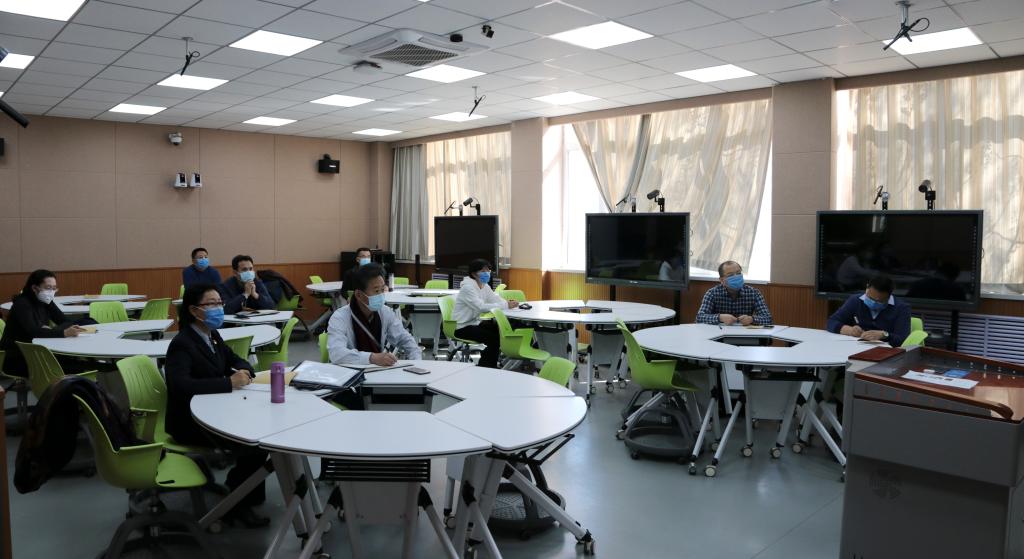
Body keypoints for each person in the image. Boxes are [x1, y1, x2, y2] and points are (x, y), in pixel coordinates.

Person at [164, 284, 269, 528]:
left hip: (215, 410)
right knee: (252, 442)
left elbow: (235, 359)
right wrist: (228, 382)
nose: (219, 308)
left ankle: (246, 494)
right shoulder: (183, 343)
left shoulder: (212, 335)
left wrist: (245, 369)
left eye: (220, 303)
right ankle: (236, 501)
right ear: (194, 310)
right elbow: (180, 385)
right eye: (211, 304)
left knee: (258, 433)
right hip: (189, 421)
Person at [0, 269, 93, 377]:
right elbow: (33, 332)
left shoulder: (46, 301)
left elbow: (66, 321)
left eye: (54, 288)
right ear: (34, 288)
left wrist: (51, 331)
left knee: (75, 362)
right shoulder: (22, 304)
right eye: (48, 288)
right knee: (73, 366)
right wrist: (63, 332)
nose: (51, 292)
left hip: (37, 352)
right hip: (16, 358)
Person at [327, 263, 421, 365]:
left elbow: (405, 339)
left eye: (382, 290)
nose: (381, 295)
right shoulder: (340, 317)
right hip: (348, 371)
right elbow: (336, 353)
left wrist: (416, 361)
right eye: (376, 291)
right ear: (359, 295)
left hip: (377, 370)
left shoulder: (385, 312)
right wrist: (372, 358)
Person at [452, 259, 517, 369]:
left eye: (488, 270)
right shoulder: (468, 288)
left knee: (501, 331)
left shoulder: (484, 286)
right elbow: (481, 307)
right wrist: (505, 305)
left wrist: (507, 303)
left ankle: (489, 363)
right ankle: (486, 367)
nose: (487, 273)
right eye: (483, 271)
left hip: (475, 323)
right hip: (461, 327)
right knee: (493, 339)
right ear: (474, 274)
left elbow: (495, 299)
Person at [827, 274, 911, 346]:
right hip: (855, 346)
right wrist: (849, 330)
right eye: (870, 298)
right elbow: (831, 322)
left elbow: (903, 339)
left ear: (889, 296)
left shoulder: (901, 308)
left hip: (884, 352)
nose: (874, 303)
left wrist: (885, 335)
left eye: (879, 301)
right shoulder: (856, 300)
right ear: (867, 288)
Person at [696, 260, 772, 326]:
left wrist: (752, 319)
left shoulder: (753, 293)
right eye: (731, 275)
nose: (736, 277)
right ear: (722, 280)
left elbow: (768, 318)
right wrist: (720, 317)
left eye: (738, 273)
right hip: (718, 334)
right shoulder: (712, 293)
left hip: (744, 334)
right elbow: (699, 318)